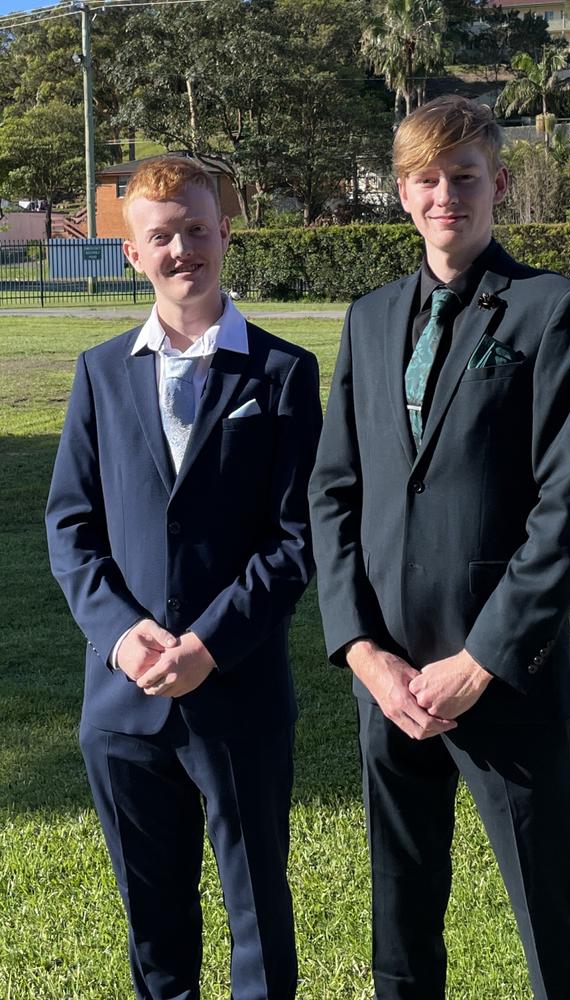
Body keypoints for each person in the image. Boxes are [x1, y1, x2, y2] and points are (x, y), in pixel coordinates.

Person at [308, 96, 570, 1000]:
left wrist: (478, 662)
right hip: (388, 685)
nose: (448, 195)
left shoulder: (553, 311)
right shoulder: (367, 321)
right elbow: (334, 493)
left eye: (466, 177)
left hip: (502, 674)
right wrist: (363, 652)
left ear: (499, 186)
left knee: (549, 910)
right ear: (403, 194)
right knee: (399, 920)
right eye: (428, 180)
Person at [46, 155, 321, 1000]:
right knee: (153, 917)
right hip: (123, 701)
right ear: (132, 254)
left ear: (225, 233)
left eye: (196, 230)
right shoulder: (99, 372)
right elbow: (70, 526)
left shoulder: (281, 373)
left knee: (256, 913)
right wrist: (123, 636)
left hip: (235, 689)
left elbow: (297, 535)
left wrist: (209, 643)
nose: (181, 250)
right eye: (159, 237)